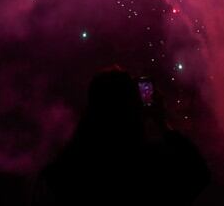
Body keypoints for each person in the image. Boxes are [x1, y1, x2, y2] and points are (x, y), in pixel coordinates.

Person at [35, 66, 210, 206]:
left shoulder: (65, 169)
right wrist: (162, 123)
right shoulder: (149, 168)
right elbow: (198, 173)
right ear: (133, 108)